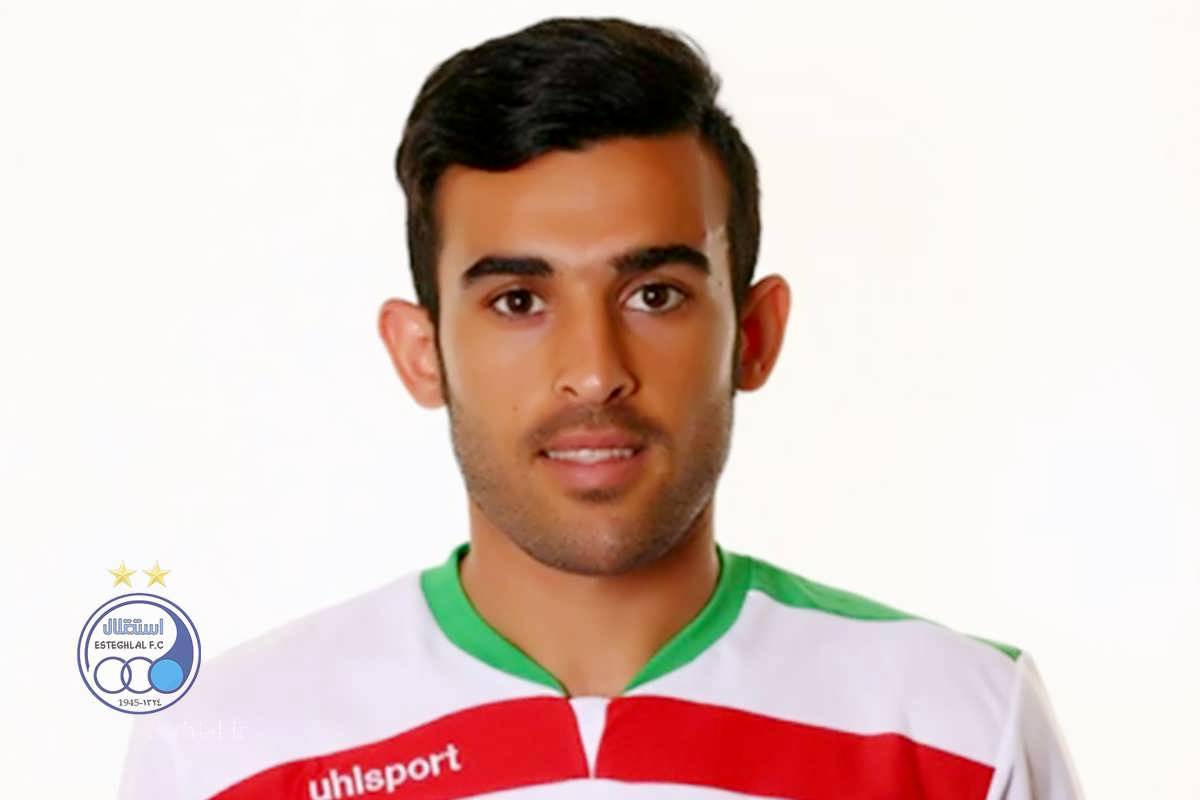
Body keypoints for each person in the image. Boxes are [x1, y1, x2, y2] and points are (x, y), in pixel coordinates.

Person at [119, 16, 1082, 799]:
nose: (592, 372)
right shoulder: (227, 752)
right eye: (518, 301)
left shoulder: (958, 727)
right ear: (421, 354)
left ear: (753, 335)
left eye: (654, 294)